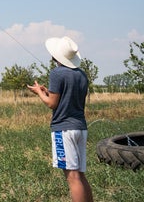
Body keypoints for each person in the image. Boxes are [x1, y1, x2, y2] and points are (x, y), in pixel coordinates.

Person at [27, 36, 93, 202]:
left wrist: (40, 93)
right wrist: (47, 91)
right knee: (80, 176)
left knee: (72, 178)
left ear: (55, 56)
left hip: (64, 129)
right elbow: (67, 98)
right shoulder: (82, 75)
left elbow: (52, 103)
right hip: (80, 128)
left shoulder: (56, 73)